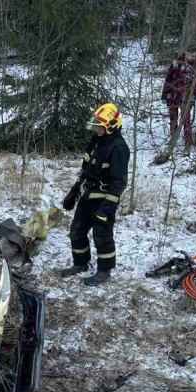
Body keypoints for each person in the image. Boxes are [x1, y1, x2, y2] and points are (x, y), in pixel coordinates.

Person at [59, 103, 130, 286]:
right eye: (96, 124)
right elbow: (85, 170)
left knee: (102, 234)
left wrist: (107, 209)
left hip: (105, 198)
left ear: (111, 125)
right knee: (77, 230)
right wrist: (74, 192)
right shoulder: (96, 141)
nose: (96, 128)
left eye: (100, 125)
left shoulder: (119, 148)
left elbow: (119, 183)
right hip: (88, 194)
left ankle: (104, 270)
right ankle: (80, 263)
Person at [162, 48, 196, 146]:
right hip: (173, 95)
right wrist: (165, 94)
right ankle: (173, 138)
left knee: (186, 119)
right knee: (173, 117)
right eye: (189, 54)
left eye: (194, 55)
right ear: (185, 53)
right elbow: (168, 79)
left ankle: (188, 141)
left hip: (187, 96)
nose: (191, 57)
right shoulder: (176, 64)